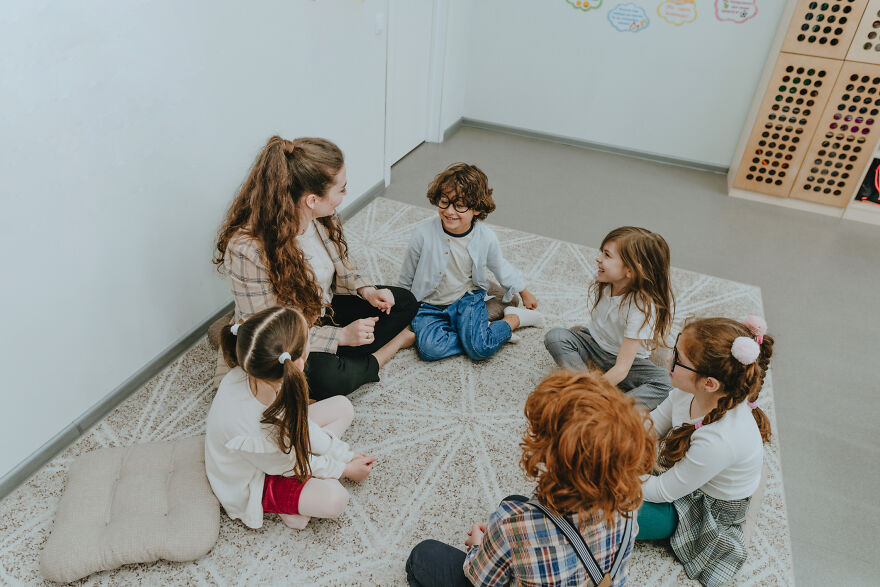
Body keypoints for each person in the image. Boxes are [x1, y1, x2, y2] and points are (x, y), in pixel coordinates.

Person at [213, 136, 418, 399]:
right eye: (341, 189)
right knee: (329, 378)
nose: (344, 195)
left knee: (403, 302)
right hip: (286, 335)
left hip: (322, 310)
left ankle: (351, 352)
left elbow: (341, 266)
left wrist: (366, 290)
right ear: (311, 199)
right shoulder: (247, 249)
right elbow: (270, 331)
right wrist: (340, 337)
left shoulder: (320, 216)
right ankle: (386, 350)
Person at [405, 371, 655, 586]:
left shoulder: (511, 526)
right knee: (513, 500)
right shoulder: (628, 504)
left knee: (421, 557)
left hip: (507, 552)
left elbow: (480, 579)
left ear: (547, 454)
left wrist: (480, 546)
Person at [205, 306, 377, 530]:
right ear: (298, 363)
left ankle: (312, 483)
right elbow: (292, 464)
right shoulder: (258, 432)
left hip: (274, 451)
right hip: (257, 479)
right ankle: (288, 508)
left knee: (343, 406)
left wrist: (346, 455)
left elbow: (302, 427)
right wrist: (344, 469)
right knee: (336, 499)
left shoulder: (259, 375)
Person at [637, 316, 773, 587]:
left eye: (677, 358)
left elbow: (663, 491)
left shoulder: (718, 440)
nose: (668, 360)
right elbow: (652, 426)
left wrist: (613, 476)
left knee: (614, 508)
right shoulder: (688, 391)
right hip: (686, 479)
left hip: (703, 506)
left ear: (709, 383)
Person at [398, 163, 543, 362]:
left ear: (476, 208)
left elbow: (500, 266)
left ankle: (513, 320)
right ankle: (489, 334)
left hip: (466, 298)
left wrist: (524, 291)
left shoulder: (486, 237)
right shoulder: (422, 233)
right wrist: (400, 306)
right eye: (444, 202)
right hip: (428, 304)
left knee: (479, 350)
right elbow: (407, 274)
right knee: (429, 350)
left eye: (460, 205)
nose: (450, 211)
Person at [544, 226, 674, 409]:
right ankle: (590, 388)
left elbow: (622, 368)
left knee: (666, 385)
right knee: (556, 336)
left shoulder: (641, 308)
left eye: (607, 255)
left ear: (630, 270)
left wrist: (591, 389)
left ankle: (612, 407)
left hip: (625, 363)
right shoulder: (605, 281)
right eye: (602, 253)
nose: (598, 259)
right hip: (593, 344)